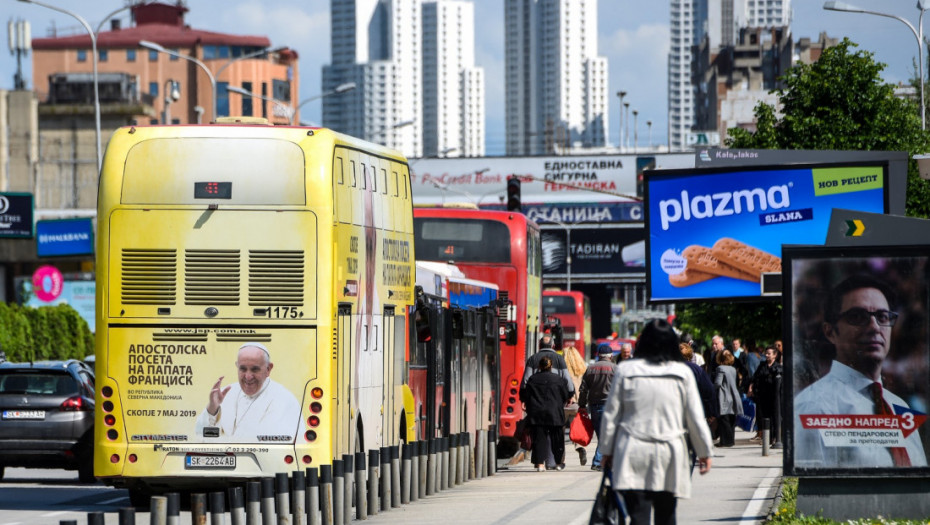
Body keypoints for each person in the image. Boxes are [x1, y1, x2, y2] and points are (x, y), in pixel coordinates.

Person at [795, 275, 928, 468]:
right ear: (830, 332)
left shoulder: (899, 406)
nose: (874, 327)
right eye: (857, 317)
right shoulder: (813, 407)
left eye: (883, 317)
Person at [599, 319, 713, 525]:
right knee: (667, 514)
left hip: (633, 450)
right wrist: (704, 451)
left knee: (638, 515)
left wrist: (606, 451)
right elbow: (695, 417)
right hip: (670, 451)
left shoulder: (626, 370)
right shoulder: (683, 373)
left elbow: (611, 415)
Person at [195, 343, 301, 441]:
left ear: (268, 369)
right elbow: (199, 434)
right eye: (243, 369)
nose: (248, 376)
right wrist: (212, 409)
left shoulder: (284, 400)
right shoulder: (225, 393)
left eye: (255, 369)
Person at [520, 355, 571, 471]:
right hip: (555, 413)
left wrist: (525, 403)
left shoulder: (532, 379)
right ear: (551, 366)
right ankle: (558, 463)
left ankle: (539, 464)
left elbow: (527, 395)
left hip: (537, 413)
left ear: (539, 366)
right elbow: (565, 395)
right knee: (557, 439)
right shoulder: (559, 379)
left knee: (539, 438)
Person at [578, 343, 616, 471]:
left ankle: (602, 461)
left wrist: (582, 405)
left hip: (594, 406)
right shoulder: (615, 369)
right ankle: (598, 461)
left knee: (602, 435)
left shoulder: (590, 368)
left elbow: (583, 389)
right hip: (610, 407)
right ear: (611, 356)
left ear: (599, 355)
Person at [681, 343, 717, 446]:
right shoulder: (697, 369)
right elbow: (709, 390)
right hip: (694, 408)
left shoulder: (669, 369)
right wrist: (711, 412)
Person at [749, 345, 782, 446]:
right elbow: (755, 377)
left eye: (769, 354)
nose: (767, 355)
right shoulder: (762, 365)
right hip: (763, 395)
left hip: (774, 396)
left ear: (775, 355)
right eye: (766, 353)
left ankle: (775, 438)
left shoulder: (778, 367)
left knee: (774, 417)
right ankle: (767, 438)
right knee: (764, 417)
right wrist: (751, 387)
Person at [563, 344, 589, 465]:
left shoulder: (563, 371)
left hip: (564, 404)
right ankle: (580, 449)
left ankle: (560, 458)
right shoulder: (582, 370)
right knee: (576, 431)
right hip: (577, 405)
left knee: (559, 431)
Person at [713, 350, 743, 447]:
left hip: (724, 395)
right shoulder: (733, 369)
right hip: (733, 395)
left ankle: (725, 441)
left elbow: (718, 383)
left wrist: (713, 388)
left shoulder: (720, 368)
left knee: (724, 419)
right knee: (731, 419)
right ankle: (731, 440)